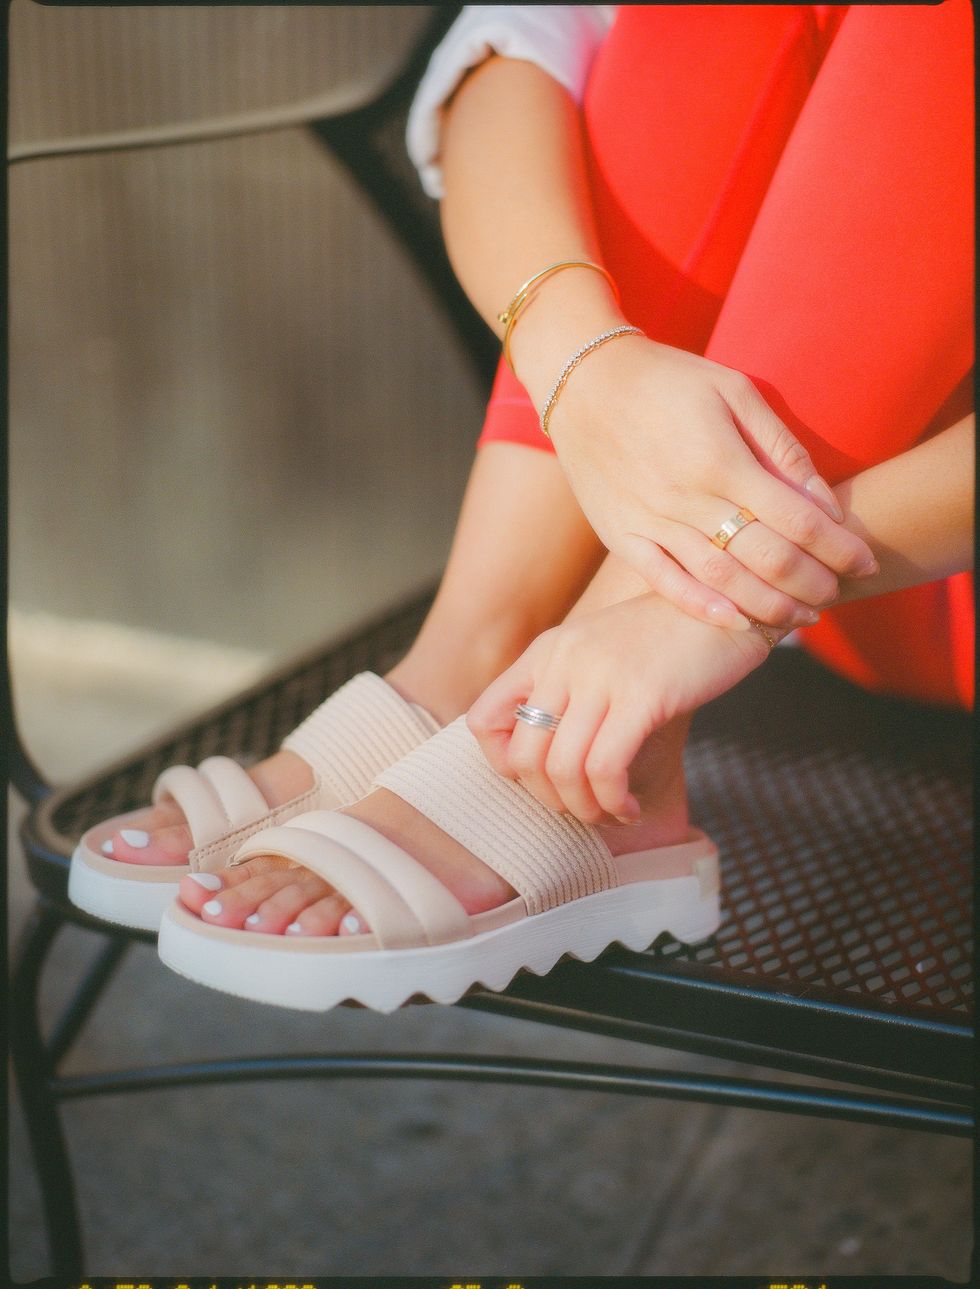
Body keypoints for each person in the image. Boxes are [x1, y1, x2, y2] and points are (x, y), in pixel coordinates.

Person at [70, 4, 973, 1011]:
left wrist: (701, 603)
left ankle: (588, 725)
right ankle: (474, 661)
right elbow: (508, 56)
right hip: (858, 592)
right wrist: (586, 369)